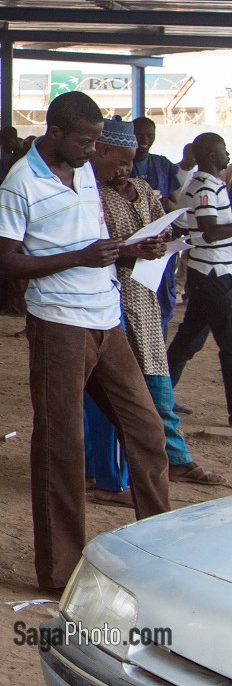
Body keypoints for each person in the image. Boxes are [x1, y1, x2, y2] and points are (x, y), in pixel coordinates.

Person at [0, 90, 170, 592]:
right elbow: (4, 262)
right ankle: (60, 572)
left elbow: (90, 247)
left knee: (146, 430)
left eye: (96, 141)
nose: (93, 151)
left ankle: (159, 546)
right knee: (61, 447)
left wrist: (131, 251)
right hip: (58, 325)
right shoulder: (21, 182)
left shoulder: (85, 171)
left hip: (106, 317)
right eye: (85, 141)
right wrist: (80, 258)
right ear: (56, 134)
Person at [91, 120, 223, 494]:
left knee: (156, 379)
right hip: (111, 299)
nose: (125, 170)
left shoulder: (143, 189)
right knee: (117, 392)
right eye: (120, 161)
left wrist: (162, 240)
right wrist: (130, 249)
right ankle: (112, 474)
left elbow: (158, 227)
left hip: (146, 295)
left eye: (131, 162)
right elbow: (92, 246)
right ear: (102, 154)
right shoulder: (92, 195)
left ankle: (175, 459)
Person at [166, 132, 232, 428]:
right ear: (211, 157)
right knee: (228, 344)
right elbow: (210, 231)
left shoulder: (211, 184)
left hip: (212, 273)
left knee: (187, 341)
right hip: (212, 274)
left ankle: (159, 396)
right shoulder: (206, 186)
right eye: (224, 151)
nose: (228, 155)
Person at [131, 117, 182, 330]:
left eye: (149, 135)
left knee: (162, 298)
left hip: (160, 240)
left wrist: (165, 203)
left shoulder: (163, 165)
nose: (145, 139)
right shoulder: (121, 163)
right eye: (139, 134)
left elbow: (176, 202)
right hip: (132, 241)